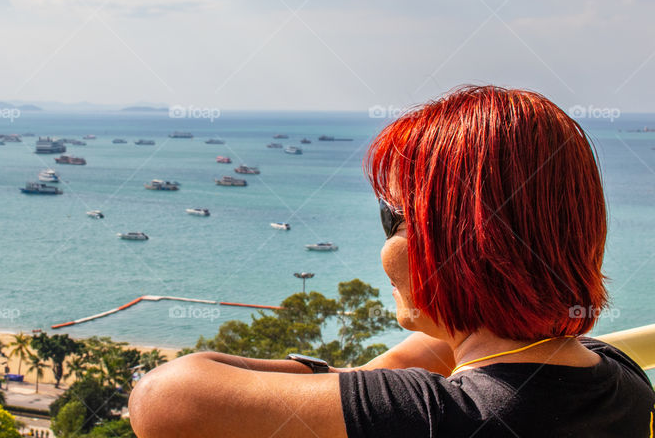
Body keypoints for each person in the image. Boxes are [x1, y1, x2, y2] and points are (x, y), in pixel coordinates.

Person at [129, 85, 655, 437]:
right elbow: (426, 363)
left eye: (394, 219)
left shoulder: (446, 415)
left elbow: (164, 397)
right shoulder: (620, 376)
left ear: (456, 243)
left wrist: (333, 378)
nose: (386, 240)